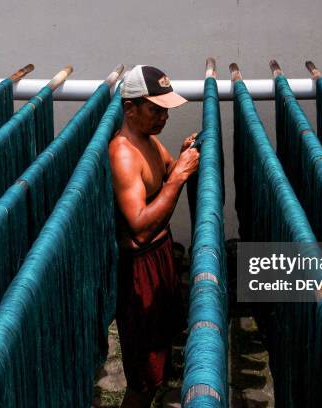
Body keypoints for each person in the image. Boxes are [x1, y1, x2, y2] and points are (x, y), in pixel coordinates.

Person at [108, 65, 200, 407]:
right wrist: (178, 178)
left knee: (161, 352)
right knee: (142, 376)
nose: (163, 117)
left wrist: (183, 156)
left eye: (166, 110)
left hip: (159, 258)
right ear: (130, 108)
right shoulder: (123, 154)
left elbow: (167, 172)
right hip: (139, 270)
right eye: (155, 109)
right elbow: (140, 225)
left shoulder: (149, 140)